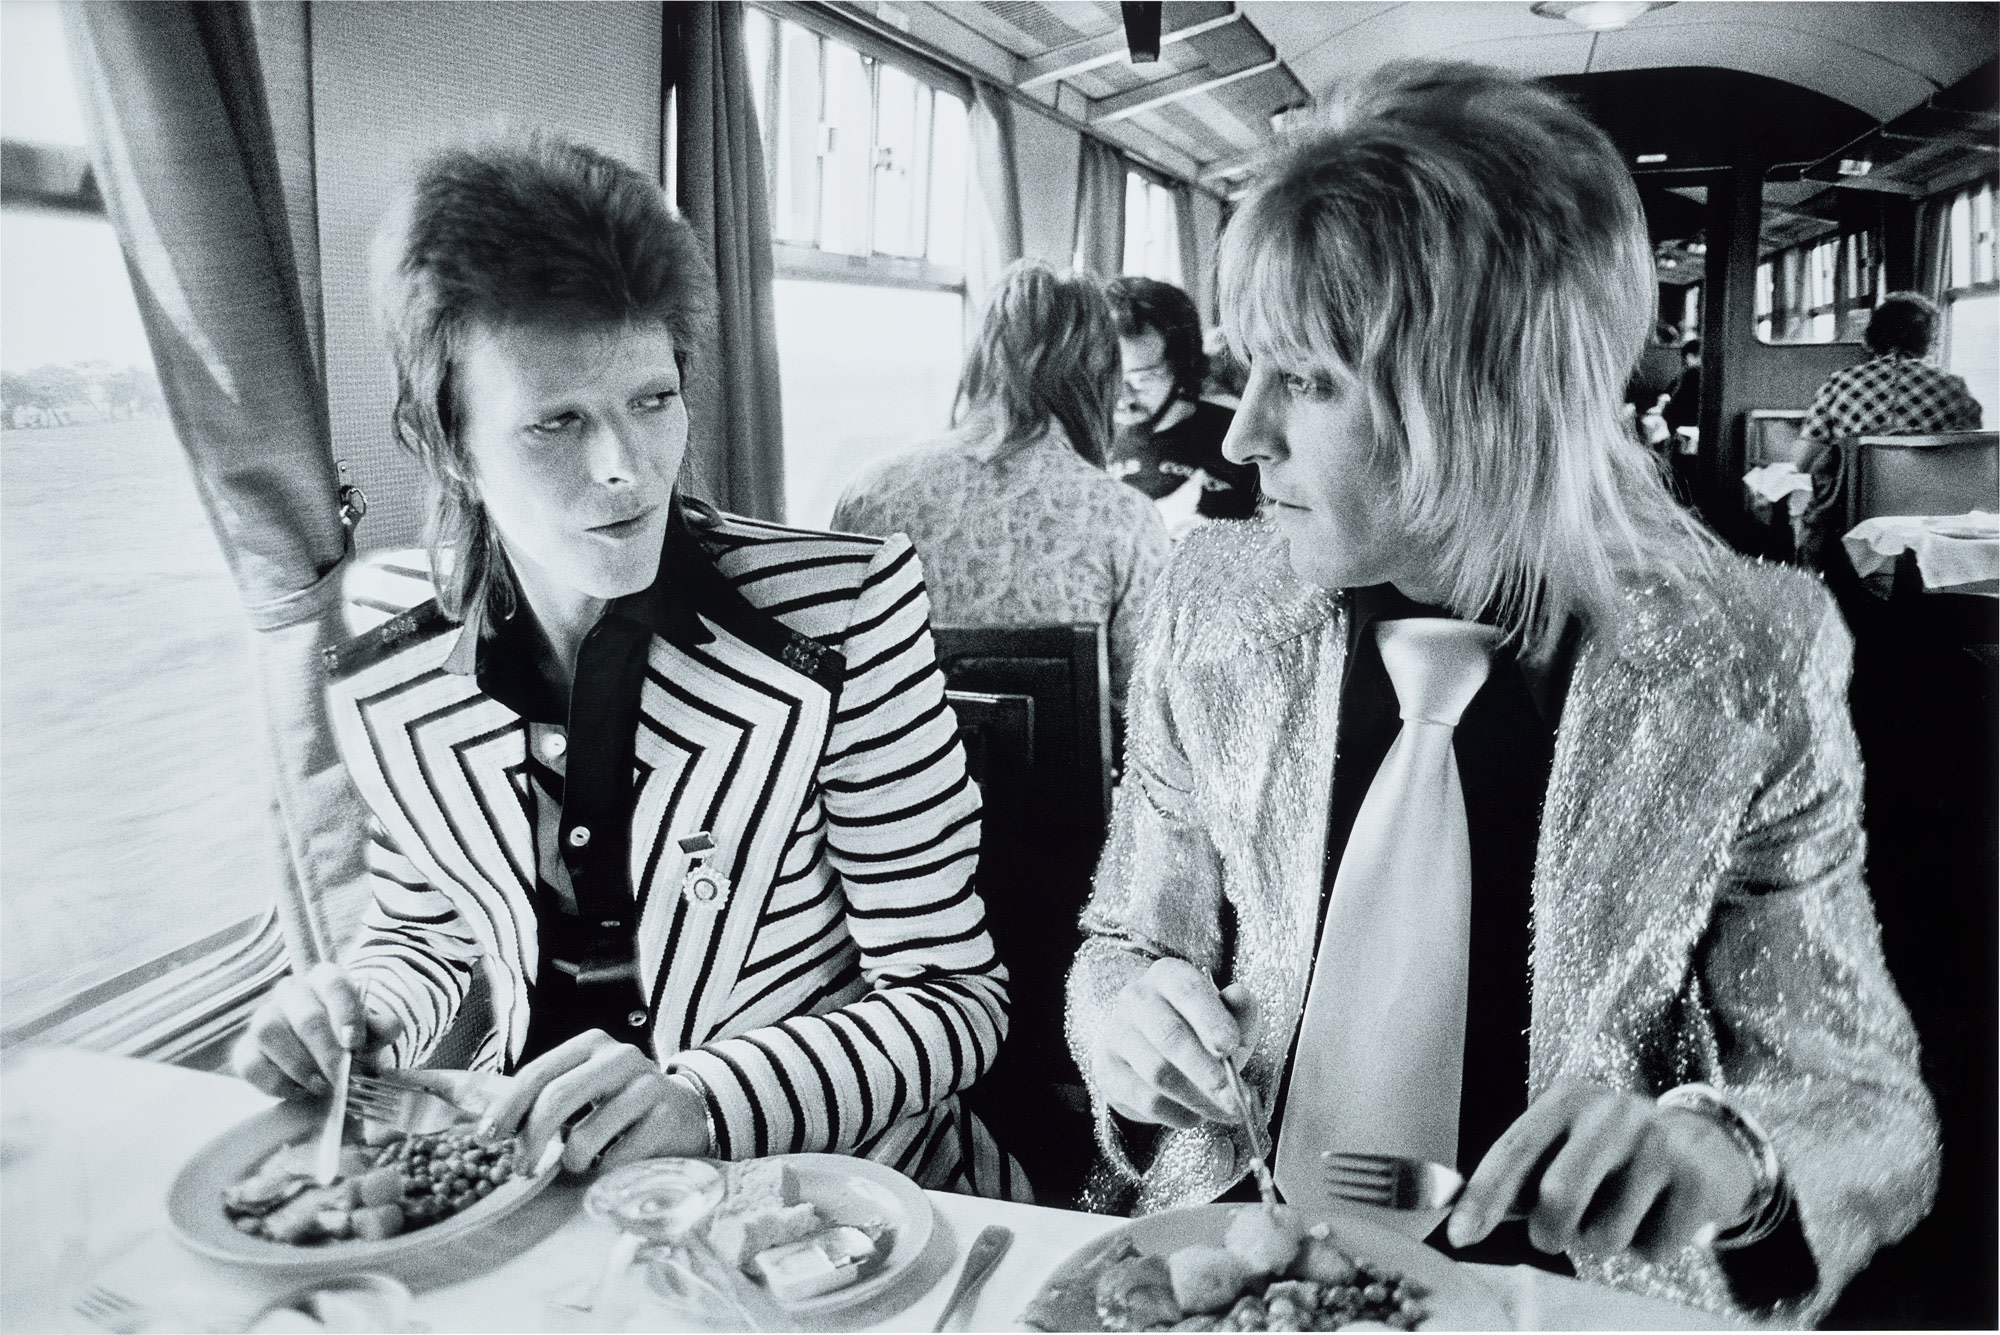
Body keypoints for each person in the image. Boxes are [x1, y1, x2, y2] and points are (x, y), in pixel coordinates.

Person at [1067, 60, 1937, 1325]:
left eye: (1305, 382)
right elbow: (1123, 944)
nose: (1241, 436)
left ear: (1480, 397)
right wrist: (1126, 1031)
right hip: (1235, 1261)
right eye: (1248, 372)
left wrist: (1725, 1158)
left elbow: (1865, 1107)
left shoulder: (1750, 654)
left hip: (1559, 1292)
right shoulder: (1209, 602)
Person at [232, 133, 1026, 1200]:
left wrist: (705, 1099)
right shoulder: (386, 647)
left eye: (651, 402)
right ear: (449, 446)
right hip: (525, 1180)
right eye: (557, 423)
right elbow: (422, 932)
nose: (625, 470)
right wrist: (355, 1016)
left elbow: (950, 998)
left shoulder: (842, 612)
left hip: (821, 1193)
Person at [832, 260, 1169, 712]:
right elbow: (1149, 710)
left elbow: (834, 667)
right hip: (1057, 783)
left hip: (891, 776)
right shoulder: (1125, 520)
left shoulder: (868, 494)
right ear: (1100, 379)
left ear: (980, 358)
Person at [1795, 293, 1984, 566]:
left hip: (1847, 523)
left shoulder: (1841, 383)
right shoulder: (1954, 387)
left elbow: (1803, 462)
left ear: (1874, 334)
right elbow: (1972, 460)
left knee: (1813, 521)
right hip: (1929, 526)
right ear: (1929, 341)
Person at [1105, 276, 1259, 535]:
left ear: (1182, 368)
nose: (1122, 396)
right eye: (1109, 376)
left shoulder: (1241, 438)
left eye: (1142, 378)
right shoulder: (1089, 436)